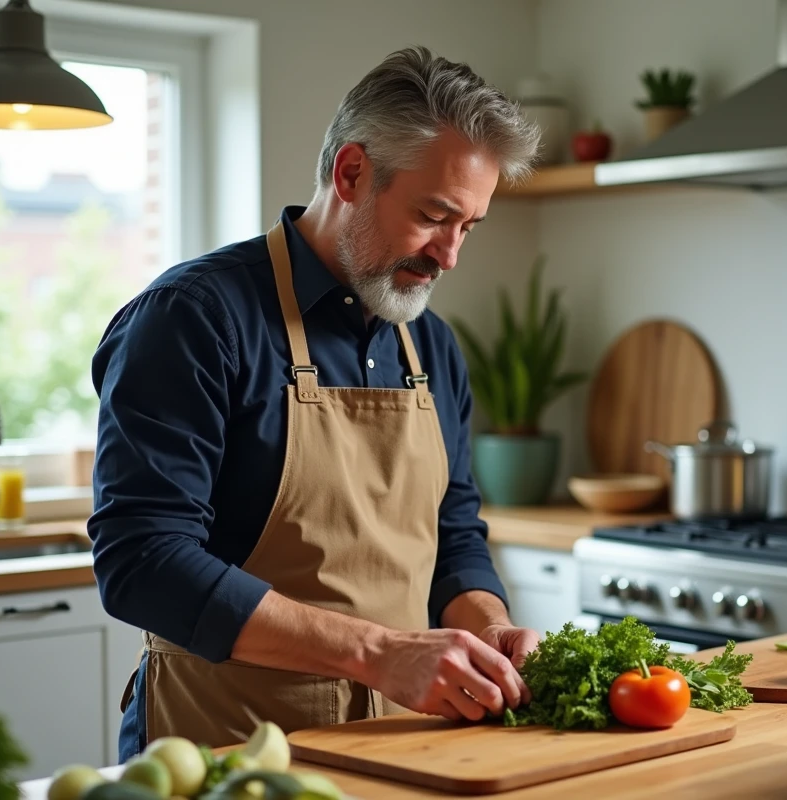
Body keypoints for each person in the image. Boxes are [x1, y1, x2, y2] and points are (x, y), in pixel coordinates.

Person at [89, 45, 545, 761]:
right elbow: (142, 561)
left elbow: (453, 534)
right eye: (434, 215)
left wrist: (486, 624)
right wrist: (379, 652)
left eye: (468, 226)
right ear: (352, 173)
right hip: (224, 752)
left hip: (401, 751)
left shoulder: (431, 345)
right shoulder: (193, 318)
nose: (450, 255)